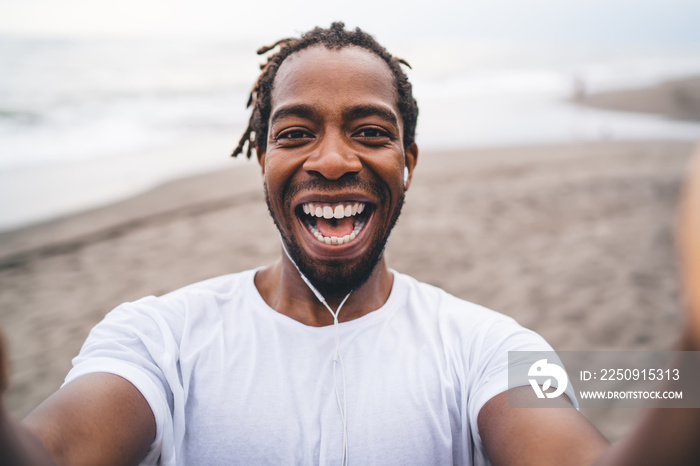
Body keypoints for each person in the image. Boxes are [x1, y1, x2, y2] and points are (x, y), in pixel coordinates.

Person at [1, 22, 699, 466]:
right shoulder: (158, 337)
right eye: (295, 132)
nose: (332, 160)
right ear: (262, 161)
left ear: (409, 162)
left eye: (370, 131)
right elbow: (53, 452)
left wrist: (691, 351)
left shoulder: (491, 348)